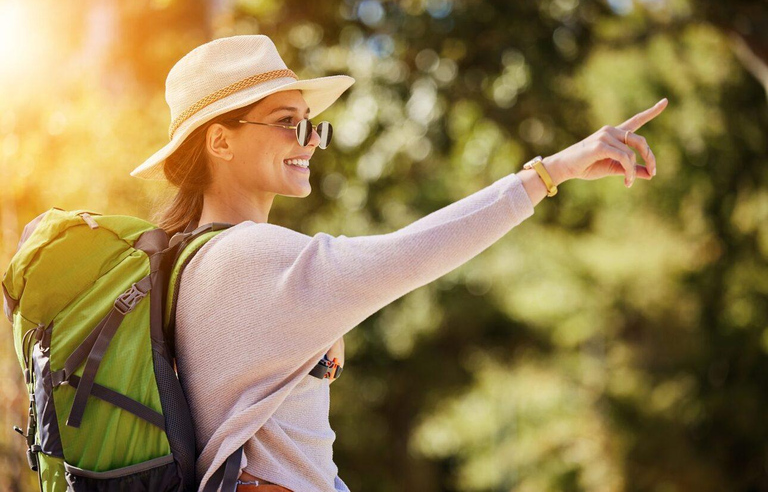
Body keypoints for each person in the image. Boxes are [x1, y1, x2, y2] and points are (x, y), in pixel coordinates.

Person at [129, 34, 667, 492]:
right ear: (220, 140)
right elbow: (419, 249)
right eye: (287, 123)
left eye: (312, 124)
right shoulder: (251, 258)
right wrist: (552, 172)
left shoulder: (182, 261)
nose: (311, 141)